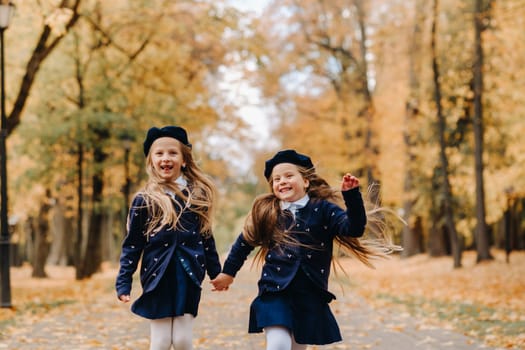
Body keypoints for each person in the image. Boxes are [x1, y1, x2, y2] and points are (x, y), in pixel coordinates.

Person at [211, 149, 397, 350]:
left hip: (309, 295)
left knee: (297, 347)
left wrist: (351, 197)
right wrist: (228, 273)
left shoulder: (323, 210)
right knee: (278, 344)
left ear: (306, 181)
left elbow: (354, 229)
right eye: (276, 179)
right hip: (275, 291)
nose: (282, 181)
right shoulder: (269, 213)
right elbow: (243, 243)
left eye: (289, 176)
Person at [116, 125, 222, 350]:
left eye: (173, 153)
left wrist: (216, 273)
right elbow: (132, 245)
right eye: (159, 153)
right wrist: (124, 281)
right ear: (151, 161)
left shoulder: (197, 196)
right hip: (157, 276)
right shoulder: (144, 200)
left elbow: (206, 237)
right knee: (161, 342)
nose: (166, 158)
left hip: (189, 273)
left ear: (184, 160)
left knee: (183, 341)